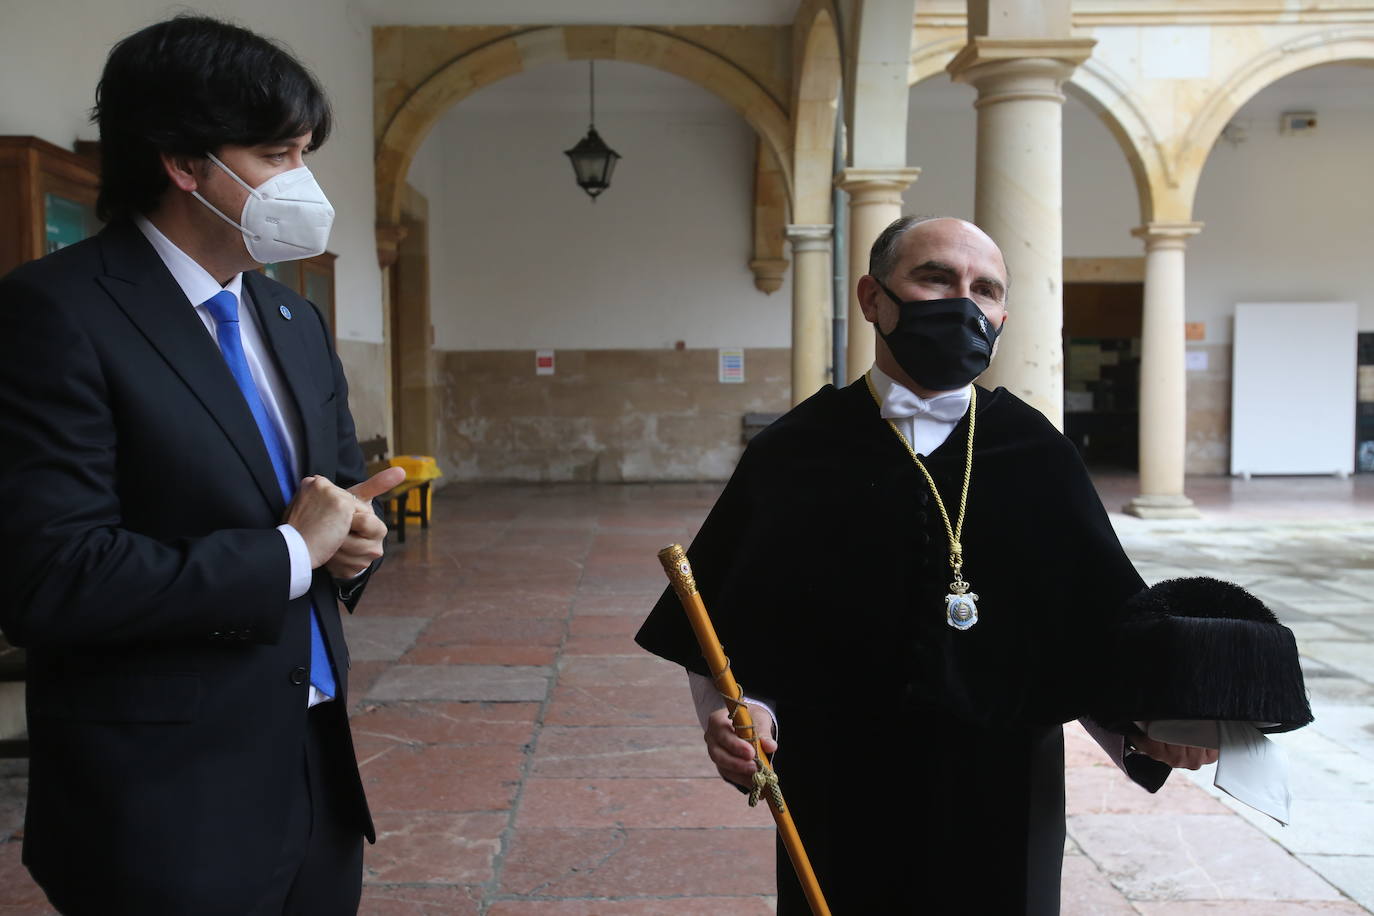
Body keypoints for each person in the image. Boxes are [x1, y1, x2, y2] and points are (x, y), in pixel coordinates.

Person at [636, 216, 1216, 914]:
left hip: (1006, 787)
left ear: (1003, 315)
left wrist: (1150, 728)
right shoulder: (796, 452)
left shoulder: (1038, 454)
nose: (963, 303)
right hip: (840, 779)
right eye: (935, 277)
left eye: (985, 288)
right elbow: (728, 620)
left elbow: (1097, 627)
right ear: (872, 298)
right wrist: (742, 712)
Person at [0, 16, 405, 915]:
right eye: (276, 155)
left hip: (312, 770)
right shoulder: (55, 313)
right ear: (183, 163)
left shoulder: (292, 320)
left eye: (304, 153)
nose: (302, 183)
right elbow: (51, 576)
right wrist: (292, 555)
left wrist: (354, 546)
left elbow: (333, 503)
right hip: (164, 795)